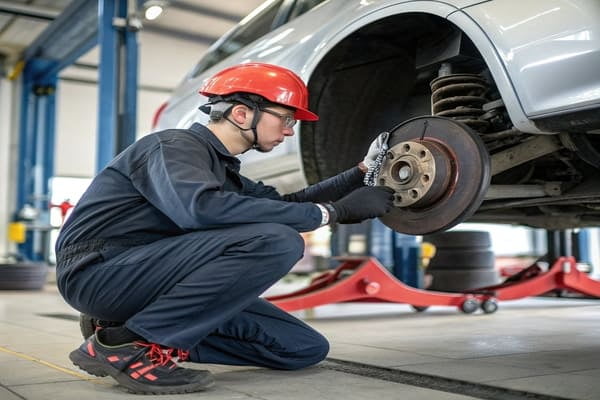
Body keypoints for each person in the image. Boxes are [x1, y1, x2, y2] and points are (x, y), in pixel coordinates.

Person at [55, 62, 394, 394]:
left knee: (302, 348)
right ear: (242, 114)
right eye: (286, 119)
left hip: (149, 279)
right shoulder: (173, 147)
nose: (290, 130)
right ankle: (134, 347)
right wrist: (333, 213)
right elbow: (199, 210)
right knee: (277, 240)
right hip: (99, 272)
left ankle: (118, 330)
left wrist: (360, 172)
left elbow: (287, 204)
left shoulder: (221, 170)